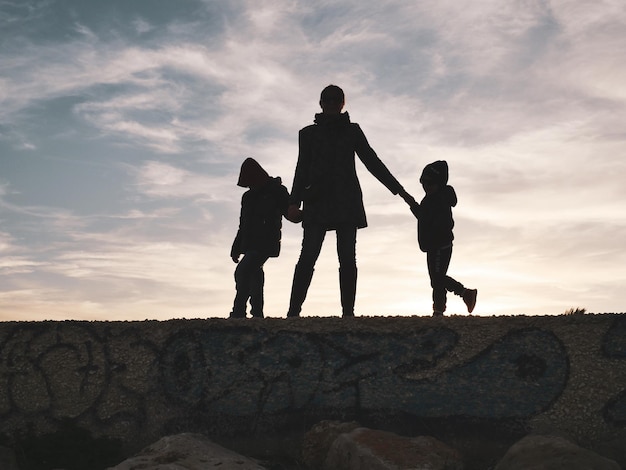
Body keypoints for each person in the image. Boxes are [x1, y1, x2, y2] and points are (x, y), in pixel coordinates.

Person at [286, 85, 415, 317]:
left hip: (346, 201)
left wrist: (401, 192)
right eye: (328, 100)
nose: (332, 104)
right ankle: (293, 312)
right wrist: (293, 203)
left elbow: (373, 163)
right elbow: (301, 169)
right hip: (316, 201)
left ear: (343, 103)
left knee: (347, 257)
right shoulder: (308, 134)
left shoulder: (352, 131)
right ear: (321, 103)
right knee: (307, 256)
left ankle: (348, 313)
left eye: (337, 100)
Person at [408, 160, 477, 316]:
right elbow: (424, 217)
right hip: (432, 245)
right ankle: (441, 307)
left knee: (438, 279)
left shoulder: (440, 200)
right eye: (424, 183)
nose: (426, 186)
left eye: (430, 183)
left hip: (440, 244)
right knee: (436, 279)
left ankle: (459, 296)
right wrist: (413, 205)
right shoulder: (429, 200)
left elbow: (437, 222)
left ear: (439, 183)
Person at [230, 158, 289, 318]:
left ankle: (238, 311)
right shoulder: (248, 198)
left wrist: (301, 214)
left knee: (243, 271)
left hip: (266, 243)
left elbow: (289, 210)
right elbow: (243, 225)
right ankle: (257, 314)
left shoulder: (277, 191)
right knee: (254, 274)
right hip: (250, 244)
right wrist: (236, 247)